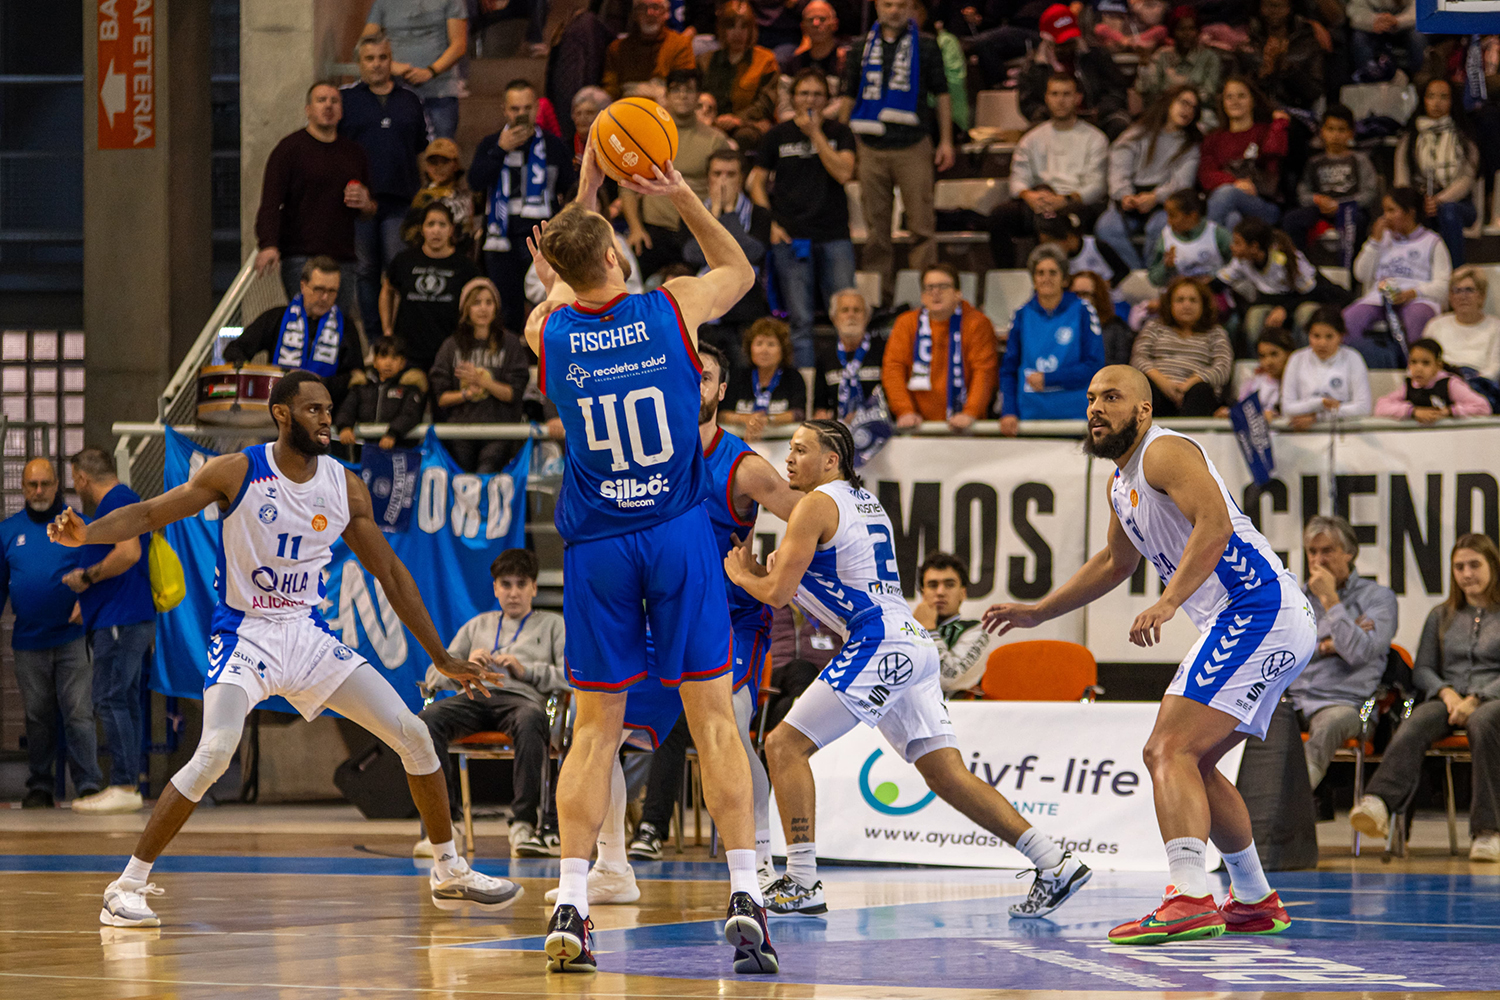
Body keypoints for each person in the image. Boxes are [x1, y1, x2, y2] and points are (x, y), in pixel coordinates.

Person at [52, 372, 519, 925]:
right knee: (215, 752)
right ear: (282, 414)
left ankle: (448, 871)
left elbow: (391, 572)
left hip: (307, 635)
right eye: (314, 410)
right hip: (245, 635)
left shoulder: (345, 485)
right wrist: (87, 535)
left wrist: (439, 655)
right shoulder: (238, 470)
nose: (326, 419)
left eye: (328, 410)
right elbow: (152, 513)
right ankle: (125, 886)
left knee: (415, 736)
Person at [524, 146, 779, 975]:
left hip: (597, 545)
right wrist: (680, 193)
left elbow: (563, 268)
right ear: (614, 254)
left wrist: (585, 193)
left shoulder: (550, 331)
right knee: (713, 720)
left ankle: (570, 900)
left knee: (594, 731)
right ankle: (746, 891)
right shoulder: (671, 311)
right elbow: (738, 265)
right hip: (674, 532)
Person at [984, 364, 1317, 944]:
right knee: (1195, 760)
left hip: (1258, 607)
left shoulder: (1163, 452)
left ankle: (1188, 896)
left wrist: (1167, 603)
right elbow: (1115, 563)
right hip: (1258, 617)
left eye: (1111, 397)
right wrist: (1040, 611)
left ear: (1143, 410)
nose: (1096, 408)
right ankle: (1255, 899)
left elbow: (1213, 525)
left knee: (1167, 748)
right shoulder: (1119, 482)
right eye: (1091, 398)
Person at [725, 420, 1093, 919]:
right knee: (946, 775)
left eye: (800, 450)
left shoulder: (815, 504)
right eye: (788, 449)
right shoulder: (862, 501)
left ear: (831, 460)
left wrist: (744, 575)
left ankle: (803, 880)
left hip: (879, 639)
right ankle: (1052, 862)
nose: (788, 458)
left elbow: (778, 595)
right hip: (912, 643)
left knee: (783, 744)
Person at [547, 341, 803, 903]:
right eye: (684, 374)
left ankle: (758, 864)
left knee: (727, 729)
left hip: (728, 619)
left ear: (717, 391)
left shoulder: (743, 466)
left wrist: (773, 577)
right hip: (651, 617)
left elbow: (811, 517)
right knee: (597, 734)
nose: (693, 385)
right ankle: (613, 866)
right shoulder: (644, 454)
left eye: (705, 377)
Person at [1350, 534, 1500, 863]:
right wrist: (1447, 693)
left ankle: (1488, 832)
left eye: (1475, 565)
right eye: (1459, 566)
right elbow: (1424, 670)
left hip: (1492, 700)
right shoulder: (1441, 615)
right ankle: (1377, 803)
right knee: (1415, 720)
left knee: (1483, 722)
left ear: (1493, 566)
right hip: (1447, 698)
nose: (1467, 573)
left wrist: (1476, 699)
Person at [416, 548, 567, 859]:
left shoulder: (553, 625)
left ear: (534, 588)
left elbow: (571, 677)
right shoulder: (477, 625)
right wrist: (463, 666)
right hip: (474, 697)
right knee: (426, 720)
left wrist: (527, 671)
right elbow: (433, 675)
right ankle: (447, 825)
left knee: (531, 719)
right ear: (495, 588)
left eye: (521, 584)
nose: (513, 593)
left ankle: (523, 824)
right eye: (506, 584)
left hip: (521, 699)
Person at [838, 0, 954, 303]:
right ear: (877, 6)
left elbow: (941, 93)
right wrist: (842, 142)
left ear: (912, 9)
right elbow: (849, 94)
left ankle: (929, 299)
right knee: (877, 232)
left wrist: (946, 141)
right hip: (870, 145)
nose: (894, 10)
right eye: (888, 4)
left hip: (913, 144)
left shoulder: (927, 46)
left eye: (901, 4)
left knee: (921, 229)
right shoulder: (860, 47)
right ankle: (879, 300)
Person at [61, 449, 156, 815]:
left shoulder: (117, 502)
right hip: (119, 615)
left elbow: (128, 553)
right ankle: (127, 782)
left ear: (82, 478)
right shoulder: (121, 501)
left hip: (120, 619)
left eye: (74, 480)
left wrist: (86, 577)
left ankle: (123, 784)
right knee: (125, 701)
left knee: (110, 699)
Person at [1, 459, 100, 809]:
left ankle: (88, 785)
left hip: (72, 640)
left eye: (45, 483)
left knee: (78, 713)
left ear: (58, 484)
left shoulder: (78, 525)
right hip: (28, 643)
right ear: (23, 488)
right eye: (32, 484)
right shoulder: (8, 531)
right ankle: (40, 786)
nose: (39, 491)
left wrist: (88, 603)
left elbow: (98, 570)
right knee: (38, 717)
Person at [750, 68, 858, 368]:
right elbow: (755, 182)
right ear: (793, 98)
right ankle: (806, 390)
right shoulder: (776, 135)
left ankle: (843, 385)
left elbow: (844, 172)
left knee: (846, 318)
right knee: (799, 322)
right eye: (804, 93)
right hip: (791, 236)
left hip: (834, 234)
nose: (810, 99)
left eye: (817, 94)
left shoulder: (839, 132)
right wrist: (769, 221)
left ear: (827, 99)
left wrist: (815, 134)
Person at [1287, 515, 1398, 791]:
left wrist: (1331, 601)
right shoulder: (1295, 599)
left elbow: (1359, 652)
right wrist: (1328, 645)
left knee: (1329, 725)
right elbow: (1284, 652)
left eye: (1327, 551)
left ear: (1349, 553)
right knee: (1248, 721)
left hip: (1346, 704)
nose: (1318, 560)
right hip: (1295, 699)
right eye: (1312, 551)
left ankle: (1290, 805)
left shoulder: (1378, 599)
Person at [253, 82, 373, 321]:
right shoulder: (289, 149)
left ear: (341, 111)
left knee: (336, 328)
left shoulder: (355, 153)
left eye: (334, 101)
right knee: (304, 326)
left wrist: (366, 202)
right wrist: (268, 244)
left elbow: (370, 210)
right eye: (321, 100)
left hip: (343, 257)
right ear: (308, 109)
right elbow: (270, 203)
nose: (328, 106)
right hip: (300, 255)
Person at [339, 32, 430, 333]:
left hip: (402, 202)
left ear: (391, 60)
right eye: (370, 58)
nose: (377, 64)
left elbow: (422, 150)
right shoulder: (346, 100)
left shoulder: (410, 100)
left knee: (396, 271)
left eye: (383, 57)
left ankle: (397, 338)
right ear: (359, 63)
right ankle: (375, 339)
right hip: (358, 206)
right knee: (364, 272)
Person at [471, 80, 577, 334]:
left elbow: (570, 190)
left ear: (537, 109)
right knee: (506, 309)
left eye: (527, 108)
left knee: (548, 304)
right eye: (514, 108)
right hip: (501, 238)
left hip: (544, 237)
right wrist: (500, 150)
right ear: (504, 110)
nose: (521, 114)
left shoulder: (554, 146)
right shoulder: (489, 144)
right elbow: (475, 181)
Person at [989, 73, 1110, 269]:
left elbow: (1097, 186)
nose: (1060, 100)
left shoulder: (1095, 138)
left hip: (1074, 202)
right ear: (1046, 98)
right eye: (1054, 94)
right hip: (1038, 200)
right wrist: (1029, 196)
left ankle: (1066, 274)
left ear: (1078, 98)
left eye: (1066, 94)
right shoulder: (1032, 138)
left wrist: (1066, 200)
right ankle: (1008, 273)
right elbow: (1017, 180)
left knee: (1065, 217)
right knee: (1000, 216)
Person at [622, 68, 732, 281]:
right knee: (627, 284)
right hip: (652, 233)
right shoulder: (647, 135)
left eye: (689, 90)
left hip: (697, 231)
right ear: (666, 95)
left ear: (698, 95)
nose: (682, 95)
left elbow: (727, 186)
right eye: (676, 90)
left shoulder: (715, 139)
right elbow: (626, 185)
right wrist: (635, 228)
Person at [222, 257, 365, 411]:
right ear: (303, 286)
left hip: (324, 416)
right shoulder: (276, 317)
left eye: (332, 291)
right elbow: (234, 350)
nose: (325, 297)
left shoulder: (346, 327)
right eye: (319, 289)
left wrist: (317, 382)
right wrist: (269, 377)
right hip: (276, 414)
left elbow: (356, 377)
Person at [430, 277, 532, 474]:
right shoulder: (451, 346)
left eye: (489, 302)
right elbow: (441, 398)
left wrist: (484, 382)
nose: (483, 308)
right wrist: (466, 394)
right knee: (463, 482)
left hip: (499, 431)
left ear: (496, 307)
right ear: (466, 308)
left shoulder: (510, 343)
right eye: (476, 303)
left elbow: (513, 393)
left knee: (487, 471)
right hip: (460, 431)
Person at [999, 246, 1105, 435]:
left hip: (1074, 417)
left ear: (1064, 279)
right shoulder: (1021, 315)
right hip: (1029, 418)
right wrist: (1009, 410)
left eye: (1052, 272)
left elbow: (1094, 366)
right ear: (1033, 278)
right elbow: (1009, 369)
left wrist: (1050, 379)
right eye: (1040, 273)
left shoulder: (1083, 311)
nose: (1046, 278)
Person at [1096, 85, 1203, 272]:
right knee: (1106, 227)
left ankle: (1154, 276)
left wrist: (1155, 197)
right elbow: (1118, 167)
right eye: (1184, 103)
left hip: (1165, 204)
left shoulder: (1190, 146)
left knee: (1161, 227)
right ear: (1169, 102)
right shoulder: (1137, 133)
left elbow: (1182, 183)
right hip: (1129, 200)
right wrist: (1125, 195)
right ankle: (1137, 275)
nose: (1187, 110)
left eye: (1193, 107)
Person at [882, 263, 999, 432]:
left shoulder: (977, 324)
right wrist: (905, 411)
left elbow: (984, 371)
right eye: (929, 288)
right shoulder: (906, 324)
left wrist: (971, 412)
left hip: (967, 428)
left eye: (943, 286)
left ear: (958, 293)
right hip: (918, 428)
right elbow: (893, 370)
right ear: (922, 296)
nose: (935, 293)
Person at [1343, 187, 1452, 361]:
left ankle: (1416, 371)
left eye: (1391, 210)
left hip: (1417, 298)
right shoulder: (1381, 239)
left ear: (1410, 212)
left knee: (1417, 317)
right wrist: (1374, 242)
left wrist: (1412, 293)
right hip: (1378, 299)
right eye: (1384, 211)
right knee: (1348, 319)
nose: (1385, 217)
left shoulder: (1433, 242)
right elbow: (1360, 275)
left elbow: (1444, 285)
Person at [683, 150, 774, 353]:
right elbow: (692, 255)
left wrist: (730, 212)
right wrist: (713, 212)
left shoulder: (759, 214)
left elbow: (753, 253)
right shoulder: (691, 212)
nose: (723, 180)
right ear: (708, 178)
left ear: (741, 178)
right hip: (703, 312)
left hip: (745, 310)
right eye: (717, 174)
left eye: (730, 174)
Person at [380, 202, 483, 374]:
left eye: (442, 224)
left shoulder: (466, 267)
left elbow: (477, 302)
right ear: (422, 229)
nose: (436, 230)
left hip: (449, 352)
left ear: (451, 229)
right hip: (408, 351)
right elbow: (387, 290)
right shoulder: (405, 260)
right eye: (431, 224)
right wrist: (387, 330)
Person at [1393, 77, 1480, 267]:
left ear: (1452, 101)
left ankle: (1455, 273)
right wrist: (1416, 201)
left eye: (1443, 97)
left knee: (1447, 211)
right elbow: (1402, 180)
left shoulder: (1464, 136)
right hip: (1421, 202)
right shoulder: (1410, 138)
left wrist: (1439, 200)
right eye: (1431, 96)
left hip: (1459, 205)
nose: (1437, 103)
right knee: (1405, 214)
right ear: (1423, 100)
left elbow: (1467, 179)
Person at [1015, 4, 1132, 140]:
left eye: (1070, 40)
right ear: (1047, 38)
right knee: (1032, 134)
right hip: (1053, 121)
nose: (1067, 45)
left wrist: (1099, 111)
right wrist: (1055, 112)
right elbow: (1028, 104)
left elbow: (1117, 91)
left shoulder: (1096, 54)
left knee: (1119, 124)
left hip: (1098, 119)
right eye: (1061, 42)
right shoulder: (1033, 66)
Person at [361, 0, 468, 138]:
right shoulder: (383, 2)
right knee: (397, 147)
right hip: (396, 90)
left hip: (440, 89)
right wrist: (390, 66)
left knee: (439, 152)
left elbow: (459, 45)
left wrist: (431, 71)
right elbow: (365, 43)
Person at [1282, 105, 1379, 255]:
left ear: (1351, 133)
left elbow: (1369, 192)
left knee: (1358, 220)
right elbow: (1303, 192)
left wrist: (1340, 205)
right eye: (1331, 129)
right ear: (1322, 132)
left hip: (1350, 209)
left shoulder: (1360, 160)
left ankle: (1353, 274)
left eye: (1341, 130)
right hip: (1319, 208)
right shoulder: (1314, 162)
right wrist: (1316, 199)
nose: (1335, 135)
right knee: (1292, 219)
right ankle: (1301, 266)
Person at [1213, 218, 1322, 352]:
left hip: (1298, 301)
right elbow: (1218, 283)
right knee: (1254, 319)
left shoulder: (1285, 259)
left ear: (1254, 247)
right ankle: (1260, 364)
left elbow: (1313, 292)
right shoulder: (1241, 261)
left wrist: (1284, 309)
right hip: (1268, 302)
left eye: (1237, 243)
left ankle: (1303, 358)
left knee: (1306, 315)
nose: (1232, 247)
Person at [1131, 277, 1234, 417]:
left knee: (1201, 390)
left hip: (1196, 396)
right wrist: (1164, 383)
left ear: (1203, 305)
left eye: (1193, 300)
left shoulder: (1216, 333)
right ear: (1170, 304)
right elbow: (1138, 359)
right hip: (1159, 392)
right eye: (1180, 300)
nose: (1187, 305)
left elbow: (1223, 368)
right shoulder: (1154, 327)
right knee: (1144, 385)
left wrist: (1190, 384)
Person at [1199, 77, 1287, 230]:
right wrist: (1235, 183)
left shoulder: (1265, 131)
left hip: (1262, 203)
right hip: (1226, 204)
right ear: (1223, 102)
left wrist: (1279, 125)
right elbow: (1206, 174)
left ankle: (1205, 245)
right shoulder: (1213, 138)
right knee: (1234, 219)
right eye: (1229, 97)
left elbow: (1274, 153)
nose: (1235, 101)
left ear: (1252, 100)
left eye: (1241, 96)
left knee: (1228, 193)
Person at [700, 1, 781, 148]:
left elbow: (766, 103)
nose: (738, 33)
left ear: (752, 29)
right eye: (731, 26)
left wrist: (737, 119)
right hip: (712, 122)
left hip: (750, 124)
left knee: (745, 136)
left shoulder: (765, 60)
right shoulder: (706, 61)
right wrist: (713, 120)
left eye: (744, 27)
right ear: (722, 29)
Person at [913, 552, 992, 697]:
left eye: (949, 585)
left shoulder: (976, 631)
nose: (940, 592)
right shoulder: (903, 631)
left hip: (956, 714)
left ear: (963, 593)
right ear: (923, 593)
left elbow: (947, 681)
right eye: (932, 585)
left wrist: (929, 631)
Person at [1281, 308, 1372, 430]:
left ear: (1341, 336)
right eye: (1316, 336)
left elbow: (1363, 408)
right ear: (1308, 335)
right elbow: (1287, 408)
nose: (1322, 343)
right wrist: (1321, 403)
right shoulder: (1297, 359)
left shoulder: (1353, 358)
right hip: (1303, 433)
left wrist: (1318, 417)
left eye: (1329, 336)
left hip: (1345, 433)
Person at [335, 336, 429, 455]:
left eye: (394, 358)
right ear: (375, 361)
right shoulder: (362, 386)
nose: (388, 363)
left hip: (400, 453)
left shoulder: (410, 388)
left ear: (402, 363)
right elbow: (347, 409)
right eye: (383, 356)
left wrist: (393, 433)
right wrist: (344, 427)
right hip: (366, 453)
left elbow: (410, 415)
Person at [720, 318, 807, 439]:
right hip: (740, 443)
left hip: (782, 445)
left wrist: (767, 420)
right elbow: (722, 414)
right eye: (759, 343)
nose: (764, 350)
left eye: (771, 344)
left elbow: (799, 414)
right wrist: (746, 419)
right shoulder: (739, 376)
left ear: (783, 349)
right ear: (750, 348)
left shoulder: (793, 376)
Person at [1236, 0, 1324, 114]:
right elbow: (1237, 89)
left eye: (1280, 6)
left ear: (1290, 7)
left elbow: (1315, 92)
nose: (1274, 11)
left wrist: (1287, 68)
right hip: (1256, 115)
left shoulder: (1307, 43)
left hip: (1298, 114)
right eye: (1268, 5)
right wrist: (1264, 72)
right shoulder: (1247, 45)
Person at [1133, 6, 1222, 118]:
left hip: (1199, 113)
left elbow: (1208, 94)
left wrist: (1182, 104)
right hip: (1163, 111)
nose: (1187, 34)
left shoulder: (1210, 58)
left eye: (1191, 29)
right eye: (1181, 29)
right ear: (1173, 32)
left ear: (1198, 31)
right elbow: (1147, 89)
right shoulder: (1161, 55)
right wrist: (1145, 65)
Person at [1374, 337, 1493, 420]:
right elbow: (1380, 407)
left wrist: (1450, 411)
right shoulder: (1409, 385)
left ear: (1438, 366)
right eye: (1413, 362)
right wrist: (1413, 412)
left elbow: (1483, 407)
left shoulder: (1451, 384)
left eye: (1426, 363)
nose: (1418, 368)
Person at [1424, 266, 1500, 395]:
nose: (1463, 296)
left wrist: (1466, 384)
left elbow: (1495, 368)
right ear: (1450, 297)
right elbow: (1425, 359)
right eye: (1457, 290)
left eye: (1469, 290)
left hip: (1480, 385)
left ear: (1482, 296)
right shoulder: (1436, 325)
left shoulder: (1496, 327)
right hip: (1442, 384)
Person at [813, 288, 886, 418]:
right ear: (834, 318)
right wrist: (821, 415)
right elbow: (820, 405)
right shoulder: (824, 356)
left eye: (857, 310)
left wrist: (863, 416)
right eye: (844, 310)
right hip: (839, 432)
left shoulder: (884, 351)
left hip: (879, 428)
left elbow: (891, 397)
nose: (851, 315)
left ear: (867, 317)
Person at [603, 0, 697, 99]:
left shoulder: (680, 44)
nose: (649, 13)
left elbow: (683, 89)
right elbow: (610, 90)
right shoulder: (617, 48)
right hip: (626, 108)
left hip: (667, 109)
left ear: (666, 13)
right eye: (642, 8)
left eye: (655, 7)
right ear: (634, 14)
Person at [1147, 188, 1232, 288]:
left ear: (1192, 216)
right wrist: (1166, 267)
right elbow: (1154, 279)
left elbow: (1237, 266)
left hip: (1215, 292)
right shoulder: (1165, 237)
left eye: (1173, 216)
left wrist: (1214, 276)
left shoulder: (1217, 234)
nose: (1169, 221)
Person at [410, 138, 477, 250]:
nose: (438, 167)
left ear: (455, 164)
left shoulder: (470, 195)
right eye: (433, 162)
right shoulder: (422, 197)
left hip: (463, 256)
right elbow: (408, 232)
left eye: (445, 162)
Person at [781, 0, 848, 99]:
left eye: (822, 19)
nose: (816, 24)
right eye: (810, 19)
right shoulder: (794, 63)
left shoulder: (845, 59)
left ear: (834, 24)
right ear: (803, 27)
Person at [1348, 0, 1425, 80]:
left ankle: (1420, 79)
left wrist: (1397, 21)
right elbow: (1355, 11)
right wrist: (1373, 21)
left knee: (1417, 35)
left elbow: (1420, 8)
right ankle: (1366, 80)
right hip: (1372, 27)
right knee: (1359, 37)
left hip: (1404, 25)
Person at [1073, 270, 1134, 366]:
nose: (1080, 299)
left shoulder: (1116, 328)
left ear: (1098, 297)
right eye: (1076, 294)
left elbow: (1120, 366)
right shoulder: (1058, 324)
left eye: (1085, 294)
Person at [1231, 325, 1295, 417]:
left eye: (1274, 354)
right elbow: (1241, 412)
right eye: (1262, 356)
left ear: (1289, 354)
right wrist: (1229, 413)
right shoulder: (1253, 384)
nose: (1268, 362)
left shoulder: (1300, 383)